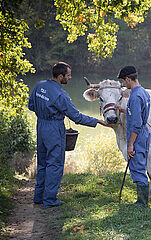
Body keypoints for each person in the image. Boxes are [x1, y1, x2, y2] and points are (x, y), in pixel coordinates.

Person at [28, 62, 109, 208]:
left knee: (42, 163)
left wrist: (44, 113)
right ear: (60, 76)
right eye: (68, 75)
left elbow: (31, 106)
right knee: (55, 164)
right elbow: (76, 117)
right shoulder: (60, 94)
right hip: (54, 128)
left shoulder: (39, 86)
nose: (70, 77)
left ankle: (39, 197)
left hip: (40, 126)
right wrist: (96, 121)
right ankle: (50, 200)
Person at [116, 66, 151, 207]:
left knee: (137, 168)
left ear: (128, 79)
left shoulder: (135, 96)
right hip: (144, 133)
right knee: (141, 165)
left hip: (137, 136)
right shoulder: (143, 92)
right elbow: (138, 112)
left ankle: (141, 203)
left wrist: (130, 145)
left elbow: (136, 124)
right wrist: (123, 109)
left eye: (124, 81)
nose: (124, 85)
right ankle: (142, 200)